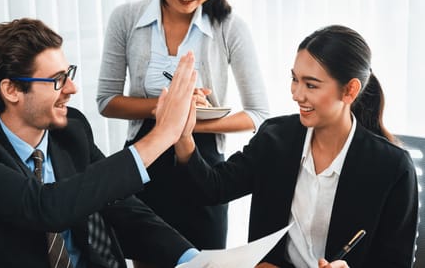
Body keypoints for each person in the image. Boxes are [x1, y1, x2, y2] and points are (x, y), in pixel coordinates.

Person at [0, 18, 203, 268]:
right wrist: (163, 135)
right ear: (11, 90)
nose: (71, 88)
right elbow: (45, 208)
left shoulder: (71, 130)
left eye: (68, 74)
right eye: (56, 80)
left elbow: (122, 207)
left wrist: (194, 260)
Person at [173, 25, 418, 267]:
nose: (296, 94)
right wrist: (183, 136)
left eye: (311, 85)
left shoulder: (392, 167)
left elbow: (395, 261)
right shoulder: (276, 138)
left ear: (349, 91)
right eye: (294, 79)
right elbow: (213, 189)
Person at [96, 0, 269, 256]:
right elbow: (107, 101)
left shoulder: (229, 27)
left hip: (203, 171)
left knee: (201, 261)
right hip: (143, 163)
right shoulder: (126, 19)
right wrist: (168, 107)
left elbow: (258, 114)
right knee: (145, 255)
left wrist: (193, 120)